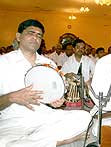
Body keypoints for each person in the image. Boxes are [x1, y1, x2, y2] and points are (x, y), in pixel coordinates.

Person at [0, 19, 91, 147]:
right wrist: (11, 97)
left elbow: (54, 98)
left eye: (39, 35)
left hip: (45, 117)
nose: (35, 37)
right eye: (31, 33)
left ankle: (33, 142)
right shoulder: (3, 62)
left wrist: (56, 101)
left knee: (85, 117)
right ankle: (59, 141)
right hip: (13, 122)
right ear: (18, 36)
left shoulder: (49, 63)